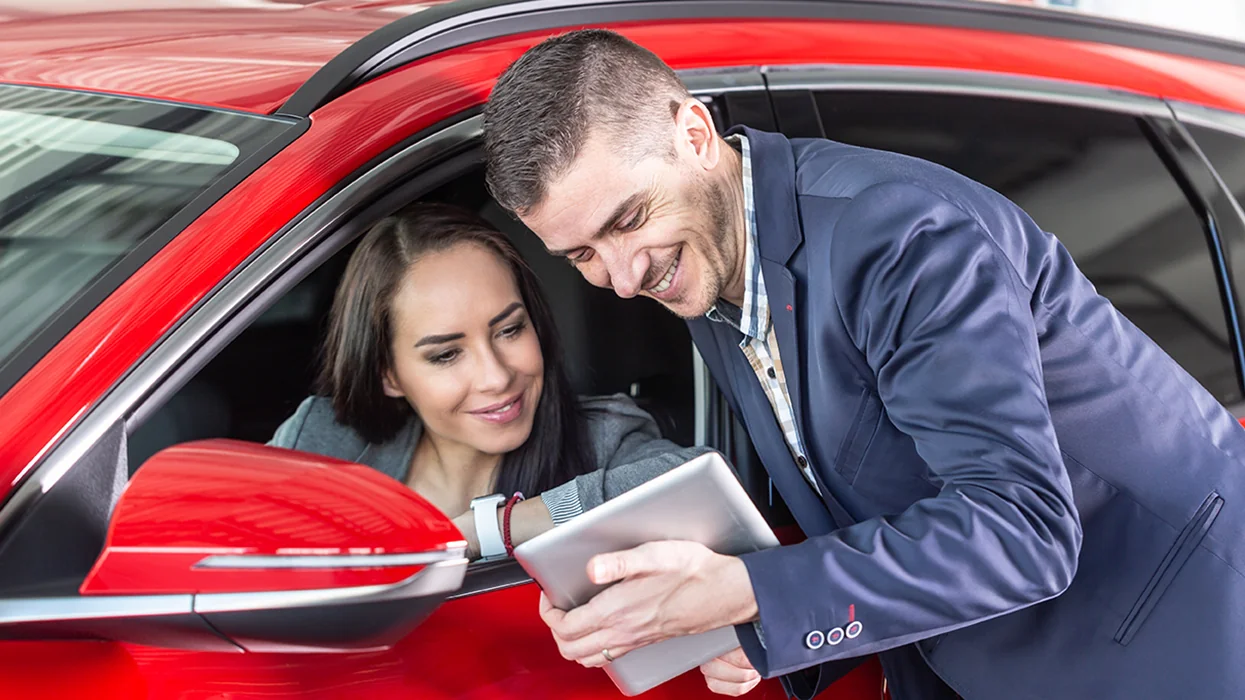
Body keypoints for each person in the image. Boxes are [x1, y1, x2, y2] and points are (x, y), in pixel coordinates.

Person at [481, 29, 1245, 700]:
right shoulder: (705, 264)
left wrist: (748, 592)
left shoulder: (899, 235)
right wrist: (736, 623)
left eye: (627, 220)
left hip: (1180, 646)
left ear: (694, 135)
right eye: (581, 254)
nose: (620, 277)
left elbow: (1023, 530)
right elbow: (864, 497)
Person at [269, 202, 708, 561]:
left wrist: (496, 528)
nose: (497, 376)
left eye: (510, 330)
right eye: (446, 354)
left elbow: (698, 488)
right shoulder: (323, 443)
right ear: (388, 374)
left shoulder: (602, 438)